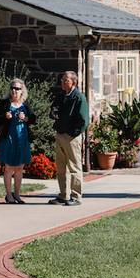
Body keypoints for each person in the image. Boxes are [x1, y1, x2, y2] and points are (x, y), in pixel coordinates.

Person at [50, 71, 89, 206]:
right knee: (60, 167)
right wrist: (53, 113)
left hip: (72, 137)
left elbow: (84, 120)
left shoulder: (79, 98)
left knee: (74, 167)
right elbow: (54, 109)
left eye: (65, 80)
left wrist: (73, 133)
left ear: (73, 82)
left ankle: (76, 196)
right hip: (60, 134)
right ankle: (63, 195)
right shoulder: (61, 96)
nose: (62, 82)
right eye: (62, 79)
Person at [0, 78, 36, 204]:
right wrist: (5, 117)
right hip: (9, 139)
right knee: (8, 168)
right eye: (12, 88)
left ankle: (17, 195)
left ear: (22, 91)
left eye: (17, 88)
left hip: (22, 139)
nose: (14, 90)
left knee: (19, 168)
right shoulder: (5, 104)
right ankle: (9, 195)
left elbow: (33, 119)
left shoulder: (25, 105)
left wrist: (26, 118)